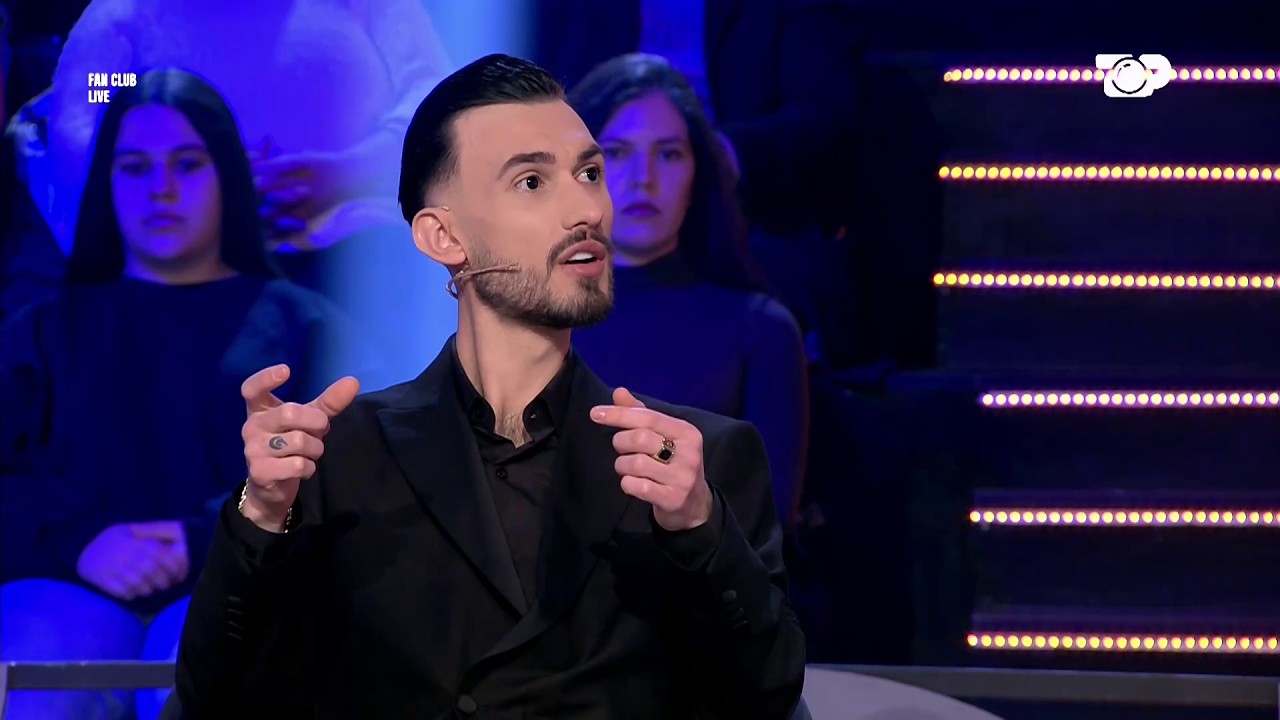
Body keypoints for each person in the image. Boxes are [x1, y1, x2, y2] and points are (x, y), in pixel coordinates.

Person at [175, 54, 805, 719]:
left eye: (590, 173)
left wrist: (700, 530)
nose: (585, 209)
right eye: (532, 181)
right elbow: (210, 701)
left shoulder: (697, 462)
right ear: (444, 236)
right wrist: (260, 515)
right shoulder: (336, 460)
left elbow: (769, 697)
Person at [0, 68, 381, 720]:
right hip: (65, 580)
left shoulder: (307, 328)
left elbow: (365, 474)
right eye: (135, 168)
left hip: (250, 574)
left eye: (187, 164)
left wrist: (209, 538)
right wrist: (81, 541)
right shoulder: (40, 333)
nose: (162, 190)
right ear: (106, 183)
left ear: (226, 174)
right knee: (39, 671)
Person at [566, 53, 808, 530]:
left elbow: (767, 527)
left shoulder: (760, 329)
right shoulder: (523, 319)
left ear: (699, 173)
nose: (644, 178)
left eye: (669, 154)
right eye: (616, 153)